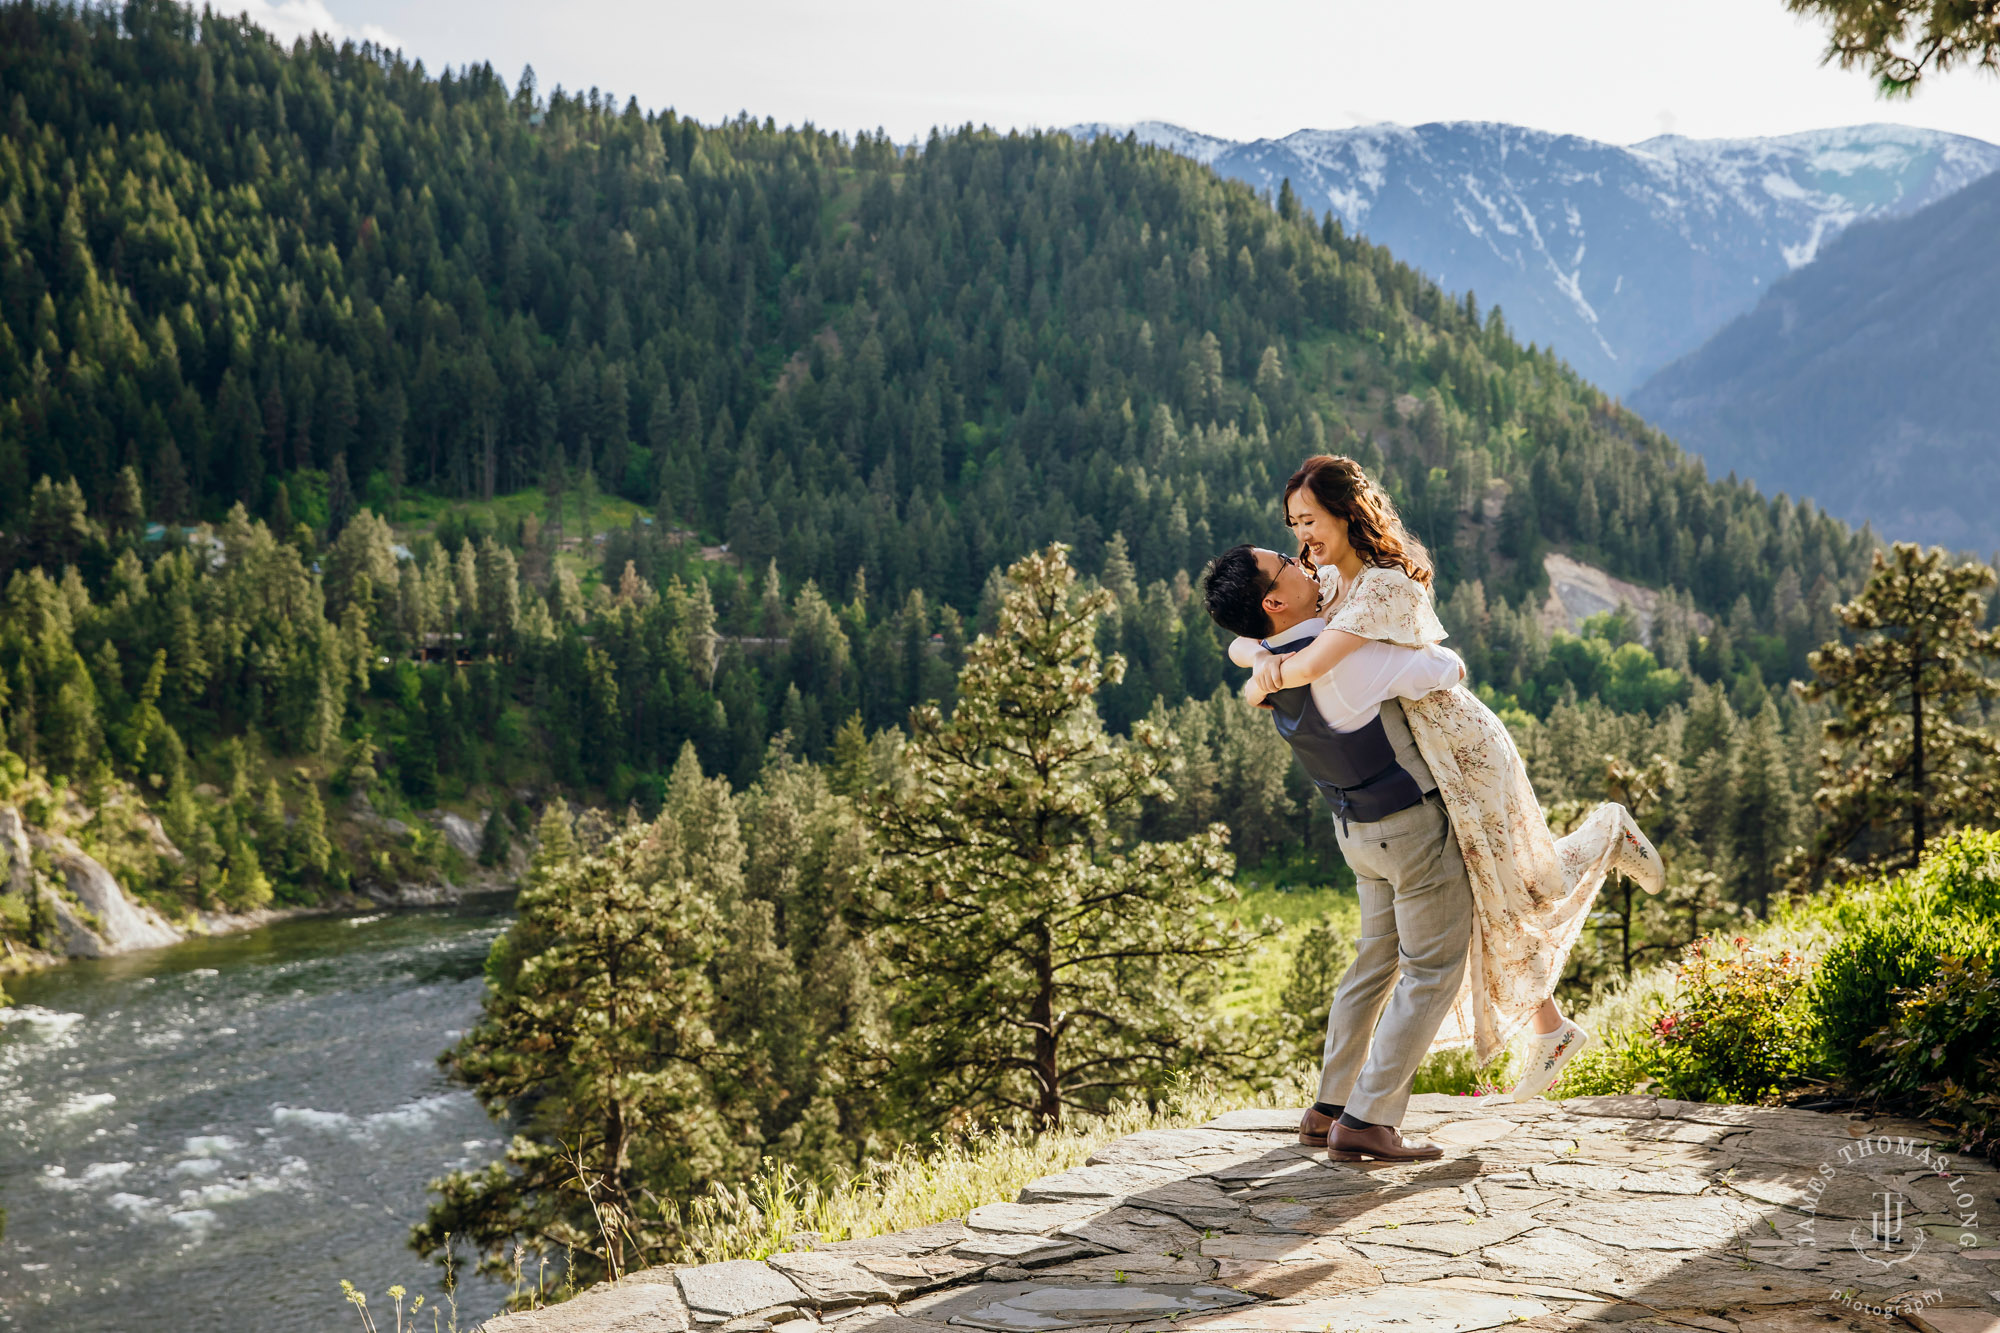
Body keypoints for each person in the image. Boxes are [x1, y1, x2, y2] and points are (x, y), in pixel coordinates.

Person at [1233, 455, 1663, 1118]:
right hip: (1420, 755)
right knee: (1489, 893)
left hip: (1459, 744)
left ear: (1347, 512)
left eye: (1310, 519)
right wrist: (1260, 656)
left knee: (1519, 882)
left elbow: (1356, 662)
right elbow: (1253, 640)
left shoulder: (1382, 587)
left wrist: (1270, 672)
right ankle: (1549, 1029)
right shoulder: (1321, 579)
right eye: (1292, 523)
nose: (1302, 536)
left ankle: (1606, 832)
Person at [1202, 542, 1470, 1162]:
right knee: (1431, 970)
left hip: (1355, 834)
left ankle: (1328, 1107)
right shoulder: (1348, 658)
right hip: (1408, 830)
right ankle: (1370, 1119)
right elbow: (1446, 670)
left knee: (1373, 963)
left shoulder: (1269, 655)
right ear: (1274, 599)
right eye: (1289, 564)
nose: (1307, 565)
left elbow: (1247, 646)